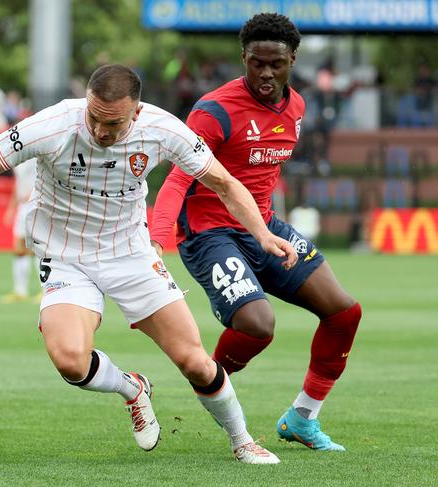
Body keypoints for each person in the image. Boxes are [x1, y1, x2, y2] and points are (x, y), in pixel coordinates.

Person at [0, 64, 298, 464]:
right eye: (94, 117)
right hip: (65, 255)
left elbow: (226, 183)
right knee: (71, 361)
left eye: (113, 123)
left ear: (136, 112)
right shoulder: (53, 125)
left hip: (130, 253)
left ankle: (242, 439)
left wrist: (262, 235)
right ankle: (131, 388)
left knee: (195, 361)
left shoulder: (164, 129)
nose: (100, 130)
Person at [150, 13, 361, 452]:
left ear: (292, 60)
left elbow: (261, 174)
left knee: (344, 313)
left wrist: (263, 226)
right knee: (258, 325)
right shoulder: (214, 111)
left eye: (276, 64)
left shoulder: (297, 108)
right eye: (256, 63)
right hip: (209, 234)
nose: (266, 74)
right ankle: (206, 375)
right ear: (243, 58)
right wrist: (158, 238)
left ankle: (302, 419)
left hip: (264, 227)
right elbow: (176, 181)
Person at [1, 158, 38, 303]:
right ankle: (20, 291)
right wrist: (11, 208)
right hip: (23, 206)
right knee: (19, 248)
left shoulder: (36, 157)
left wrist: (37, 192)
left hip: (36, 203)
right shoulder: (19, 160)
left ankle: (46, 290)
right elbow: (18, 184)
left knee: (37, 248)